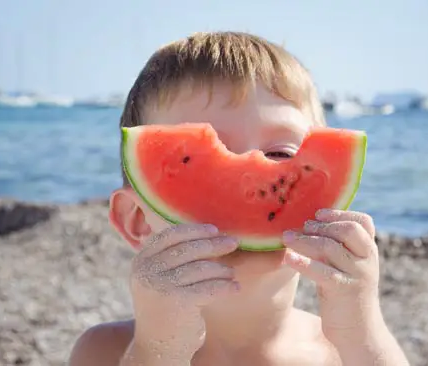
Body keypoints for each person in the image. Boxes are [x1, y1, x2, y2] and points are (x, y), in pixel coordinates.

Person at [68, 31, 410, 366]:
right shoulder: (104, 352)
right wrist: (157, 351)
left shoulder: (344, 352)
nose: (250, 173)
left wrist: (362, 327)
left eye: (280, 154)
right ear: (138, 221)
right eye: (196, 161)